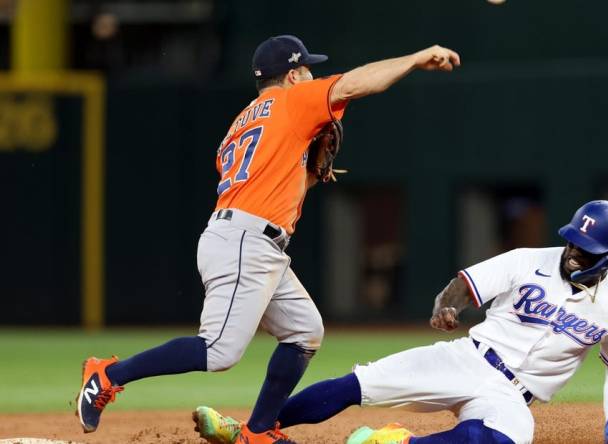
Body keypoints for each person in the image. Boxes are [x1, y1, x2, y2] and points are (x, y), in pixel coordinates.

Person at [75, 35, 461, 444]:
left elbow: (264, 183)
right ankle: (107, 375)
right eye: (307, 68)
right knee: (218, 351)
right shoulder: (293, 101)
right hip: (245, 241)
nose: (312, 74)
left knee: (304, 331)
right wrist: (415, 58)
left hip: (249, 238)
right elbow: (354, 83)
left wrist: (308, 175)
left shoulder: (240, 124)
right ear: (293, 74)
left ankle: (258, 432)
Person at [193, 200, 608, 444]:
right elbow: (464, 285)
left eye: (583, 251)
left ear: (607, 257)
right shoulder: (529, 260)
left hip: (513, 395)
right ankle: (253, 429)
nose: (571, 253)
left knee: (502, 439)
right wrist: (449, 305)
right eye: (570, 242)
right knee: (357, 385)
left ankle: (394, 443)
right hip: (467, 359)